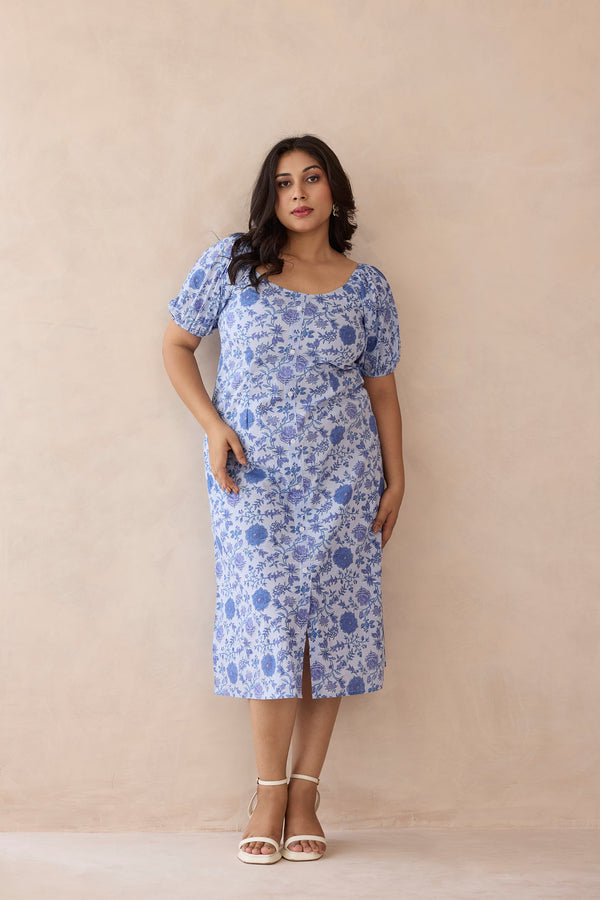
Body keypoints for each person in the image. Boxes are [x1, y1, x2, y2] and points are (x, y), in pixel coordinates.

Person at [162, 134, 405, 864]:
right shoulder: (234, 263)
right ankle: (268, 792)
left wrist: (397, 477)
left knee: (328, 632)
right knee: (267, 628)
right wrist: (213, 427)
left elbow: (382, 389)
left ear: (335, 191)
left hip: (345, 478)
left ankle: (306, 793)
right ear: (270, 197)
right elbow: (175, 346)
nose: (298, 193)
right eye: (283, 182)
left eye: (312, 178)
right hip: (253, 479)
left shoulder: (367, 287)